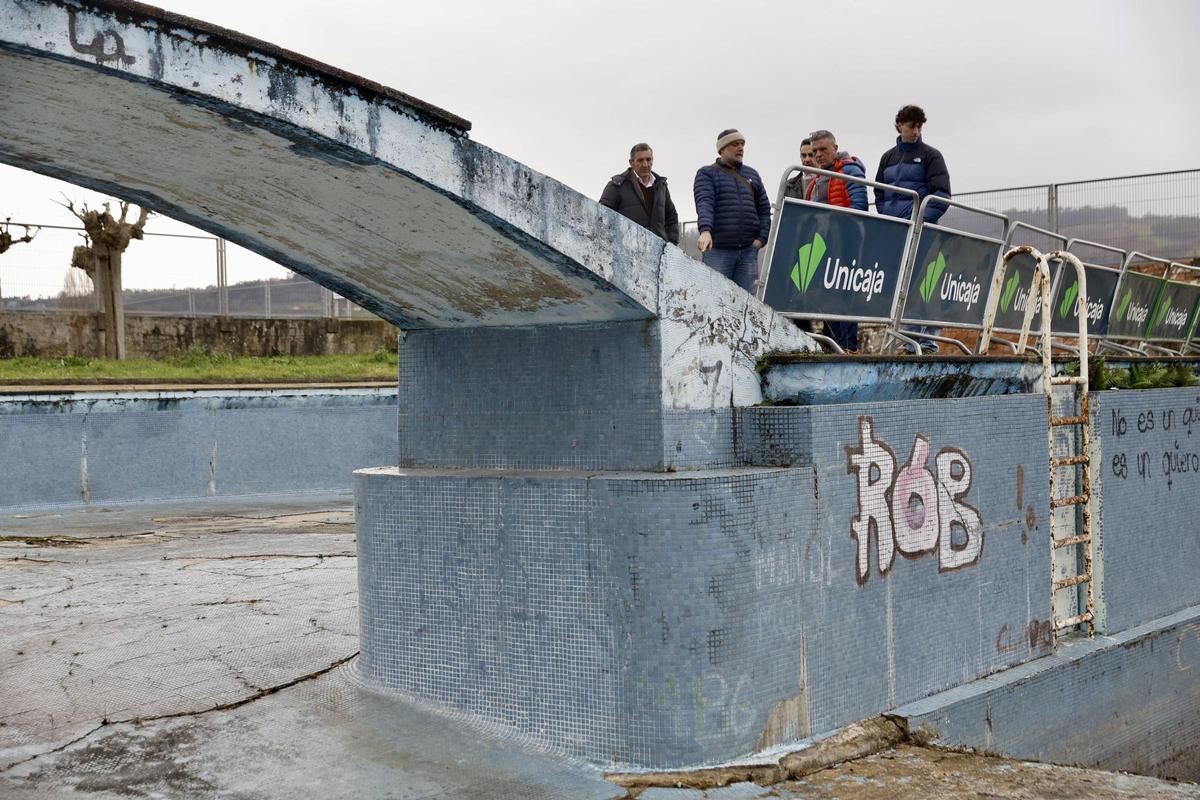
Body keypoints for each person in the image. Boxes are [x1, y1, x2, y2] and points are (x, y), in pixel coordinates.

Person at [874, 105, 952, 353]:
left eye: (919, 126)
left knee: (924, 285)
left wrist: (921, 220)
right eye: (911, 126)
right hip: (896, 232)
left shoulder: (931, 155)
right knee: (902, 287)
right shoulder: (887, 157)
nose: (915, 131)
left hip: (923, 232)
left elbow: (941, 194)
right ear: (899, 125)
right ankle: (908, 341)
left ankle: (926, 343)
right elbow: (879, 192)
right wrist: (888, 217)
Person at [805, 130, 868, 349]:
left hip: (847, 245)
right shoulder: (816, 178)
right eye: (815, 151)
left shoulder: (850, 171)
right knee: (826, 296)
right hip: (822, 246)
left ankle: (848, 348)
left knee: (845, 295)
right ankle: (834, 346)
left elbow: (860, 207)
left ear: (835, 148)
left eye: (823, 149)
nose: (818, 155)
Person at [693, 129, 772, 293]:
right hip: (718, 252)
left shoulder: (753, 175)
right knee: (714, 301)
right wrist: (705, 230)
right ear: (722, 149)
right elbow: (705, 202)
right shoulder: (707, 174)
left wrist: (761, 239)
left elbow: (764, 210)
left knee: (747, 306)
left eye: (742, 144)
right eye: (735, 144)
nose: (740, 148)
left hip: (748, 252)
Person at [599, 143, 680, 244]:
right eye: (640, 160)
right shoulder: (616, 186)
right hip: (627, 251)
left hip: (659, 253)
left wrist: (671, 244)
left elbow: (671, 217)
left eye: (648, 159)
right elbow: (602, 218)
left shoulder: (661, 186)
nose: (645, 164)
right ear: (631, 162)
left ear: (652, 160)